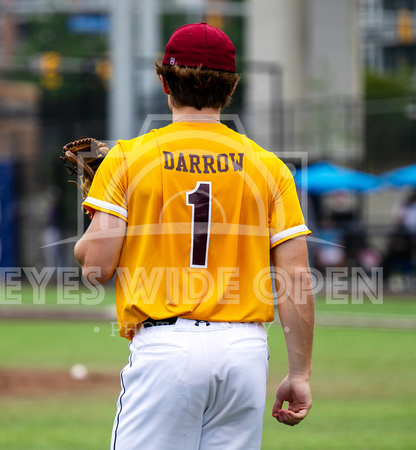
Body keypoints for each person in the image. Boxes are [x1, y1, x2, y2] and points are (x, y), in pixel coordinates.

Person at [75, 22, 314, 450]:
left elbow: (95, 267)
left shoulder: (129, 158)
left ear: (164, 82)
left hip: (167, 347)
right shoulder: (270, 168)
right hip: (244, 352)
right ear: (231, 87)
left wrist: (96, 213)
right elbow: (295, 279)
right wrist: (299, 374)